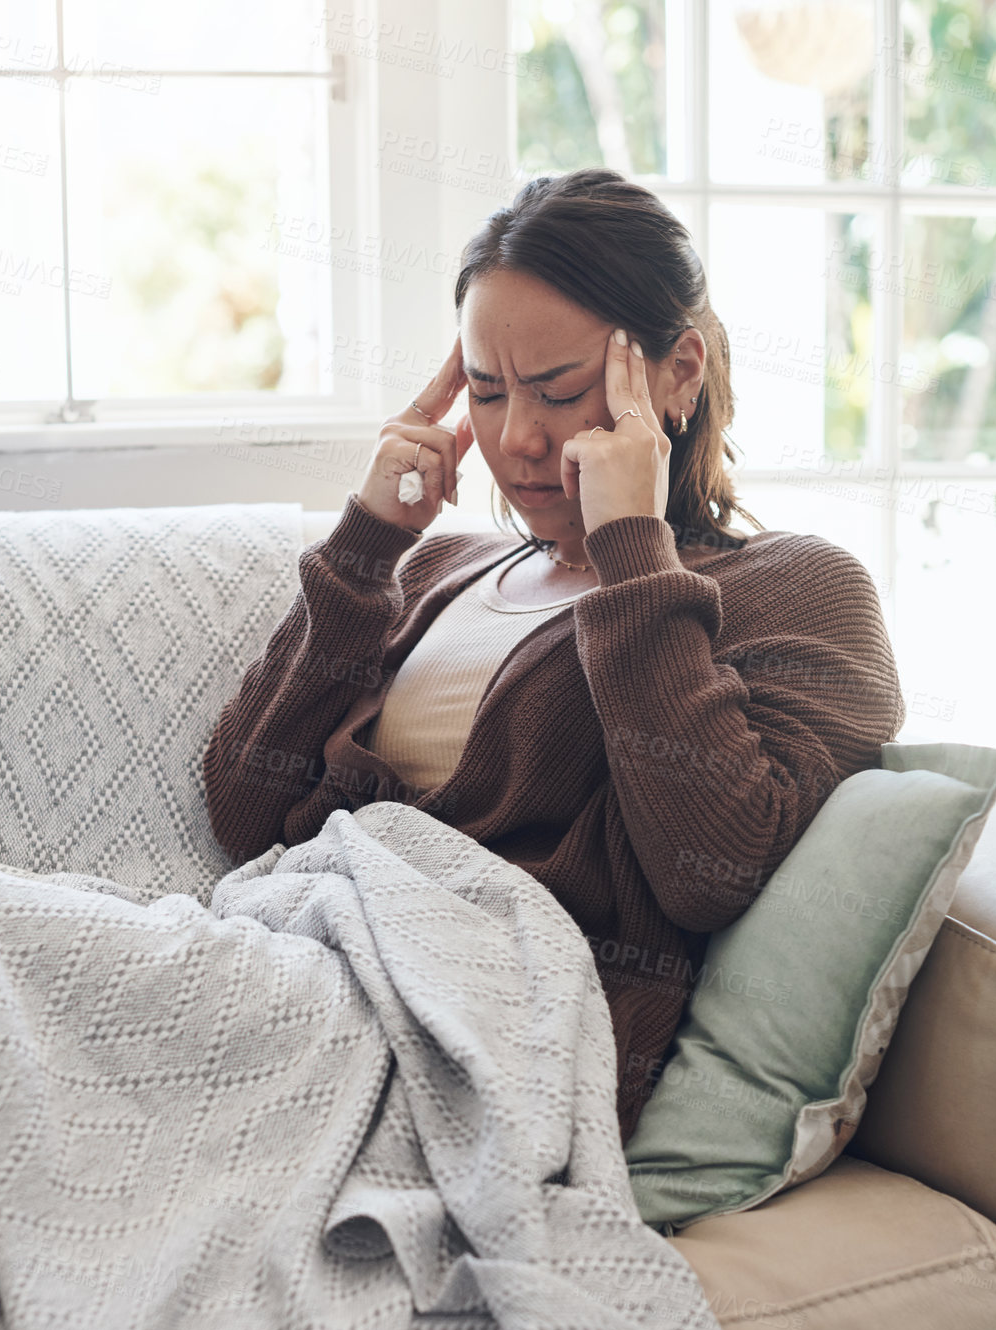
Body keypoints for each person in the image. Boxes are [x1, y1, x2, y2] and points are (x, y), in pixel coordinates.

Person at [203, 168, 905, 1145]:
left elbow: (714, 868)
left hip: (471, 1035)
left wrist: (630, 552)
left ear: (680, 372)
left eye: (560, 390)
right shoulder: (441, 566)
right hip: (302, 955)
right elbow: (244, 812)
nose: (517, 438)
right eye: (485, 393)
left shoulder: (796, 591)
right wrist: (367, 545)